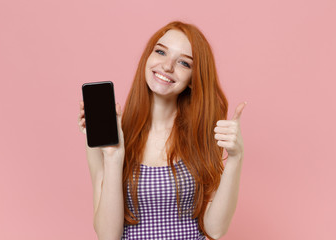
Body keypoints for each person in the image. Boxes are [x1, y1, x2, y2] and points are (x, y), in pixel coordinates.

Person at [78, 20, 246, 240]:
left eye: (184, 63)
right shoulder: (109, 135)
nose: (167, 66)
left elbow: (215, 229)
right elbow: (108, 236)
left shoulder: (202, 132)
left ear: (194, 80)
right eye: (160, 52)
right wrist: (113, 156)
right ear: (147, 58)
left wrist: (236, 157)